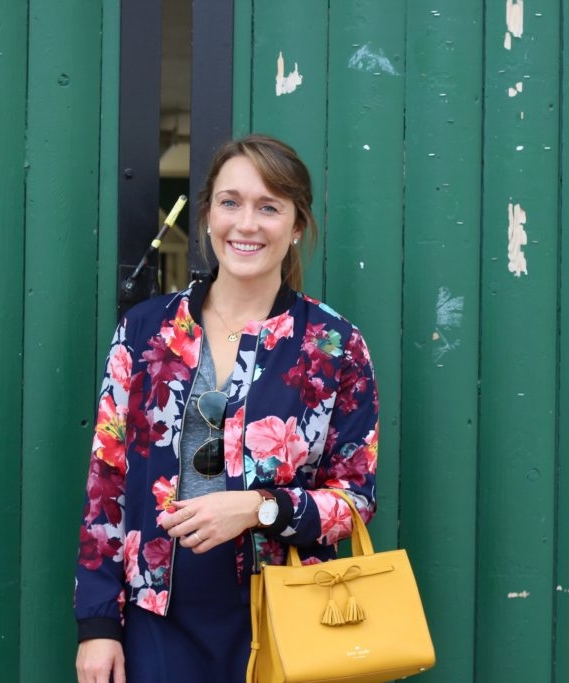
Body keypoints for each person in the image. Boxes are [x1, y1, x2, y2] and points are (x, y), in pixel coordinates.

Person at [74, 134, 379, 683]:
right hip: (155, 620)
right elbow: (107, 484)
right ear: (208, 215)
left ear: (296, 228)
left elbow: (355, 499)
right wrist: (98, 624)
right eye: (230, 202)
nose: (246, 224)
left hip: (285, 614)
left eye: (269, 207)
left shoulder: (333, 345)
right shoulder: (146, 332)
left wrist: (260, 508)